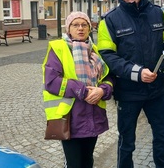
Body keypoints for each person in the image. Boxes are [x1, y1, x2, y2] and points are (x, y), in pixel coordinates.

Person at [97, 0, 164, 168]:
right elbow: (108, 56)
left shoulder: (157, 13)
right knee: (127, 142)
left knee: (163, 136)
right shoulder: (109, 21)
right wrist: (136, 73)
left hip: (157, 91)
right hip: (128, 92)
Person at [42, 11, 114, 168]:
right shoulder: (59, 48)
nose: (80, 28)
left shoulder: (94, 50)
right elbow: (52, 81)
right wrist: (84, 91)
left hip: (94, 116)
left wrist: (102, 90)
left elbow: (107, 77)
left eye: (84, 25)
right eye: (75, 25)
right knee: (74, 163)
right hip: (70, 118)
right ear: (69, 28)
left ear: (89, 28)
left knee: (88, 160)